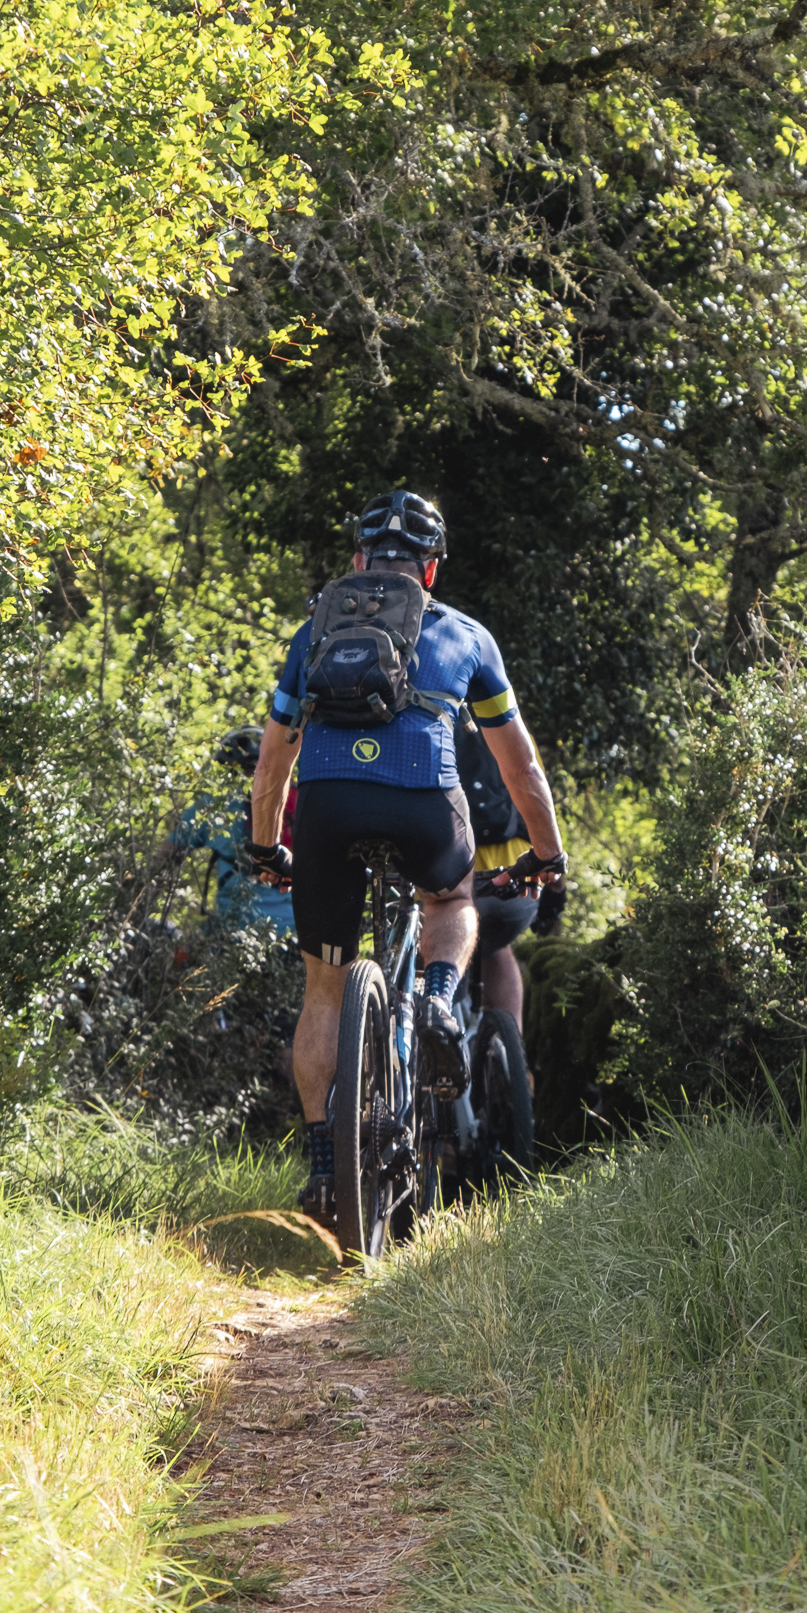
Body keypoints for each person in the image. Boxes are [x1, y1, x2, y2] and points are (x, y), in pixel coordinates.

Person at [243, 489, 566, 1223]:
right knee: (450, 902)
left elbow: (271, 766)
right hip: (424, 806)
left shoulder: (315, 631)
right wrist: (548, 856)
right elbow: (523, 772)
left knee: (324, 989)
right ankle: (439, 999)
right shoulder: (468, 636)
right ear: (432, 570)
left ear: (359, 561)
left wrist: (266, 844)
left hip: (326, 812)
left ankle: (326, 1163)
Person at [457, 709, 565, 1028]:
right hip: (515, 888)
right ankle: (513, 1056)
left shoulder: (422, 731)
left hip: (455, 883)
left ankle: (441, 1041)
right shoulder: (515, 735)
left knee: (434, 948)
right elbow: (545, 822)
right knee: (497, 947)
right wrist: (556, 892)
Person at [170, 728, 294, 935]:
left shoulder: (212, 805)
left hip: (236, 930)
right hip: (298, 930)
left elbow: (165, 857)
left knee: (185, 949)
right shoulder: (295, 800)